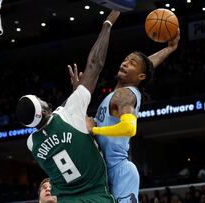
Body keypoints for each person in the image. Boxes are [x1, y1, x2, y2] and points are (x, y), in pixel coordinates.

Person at [15, 10, 120, 202]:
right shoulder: (69, 112)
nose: (42, 99)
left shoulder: (32, 144)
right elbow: (95, 64)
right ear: (45, 109)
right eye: (39, 99)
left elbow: (57, 115)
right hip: (95, 196)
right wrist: (108, 23)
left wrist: (76, 93)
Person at [69, 28, 180, 202]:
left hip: (119, 171)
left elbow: (129, 128)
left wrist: (95, 130)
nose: (126, 63)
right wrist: (169, 48)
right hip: (102, 172)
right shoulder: (119, 92)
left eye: (132, 63)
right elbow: (146, 66)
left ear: (140, 76)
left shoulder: (126, 94)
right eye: (126, 59)